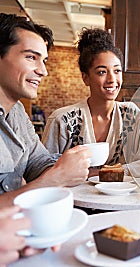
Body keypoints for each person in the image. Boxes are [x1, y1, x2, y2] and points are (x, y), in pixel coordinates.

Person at [0, 13, 90, 263]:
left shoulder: (17, 111)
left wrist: (69, 164)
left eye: (44, 60)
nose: (43, 70)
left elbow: (38, 162)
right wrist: (57, 177)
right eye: (31, 57)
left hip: (26, 240)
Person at [42, 28, 140, 177]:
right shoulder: (62, 120)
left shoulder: (131, 114)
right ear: (85, 78)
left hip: (123, 198)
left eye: (117, 71)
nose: (112, 79)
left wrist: (103, 173)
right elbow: (44, 170)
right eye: (102, 72)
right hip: (74, 198)